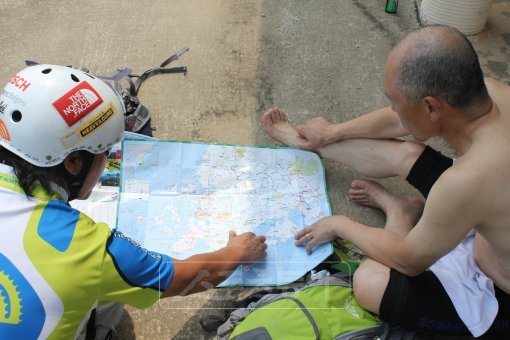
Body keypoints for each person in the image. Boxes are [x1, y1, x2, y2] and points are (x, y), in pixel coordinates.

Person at [262, 25, 510, 338]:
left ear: (432, 106)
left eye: (395, 100)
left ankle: (400, 214)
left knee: (369, 283)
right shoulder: (493, 93)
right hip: (483, 219)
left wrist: (341, 225)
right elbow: (397, 120)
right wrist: (333, 132)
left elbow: (408, 260)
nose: (393, 109)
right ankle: (309, 144)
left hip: (497, 293)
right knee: (407, 152)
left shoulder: (468, 181)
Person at [0, 64, 267, 339]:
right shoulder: (92, 250)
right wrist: (237, 253)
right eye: (105, 152)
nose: (108, 162)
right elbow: (184, 279)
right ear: (73, 162)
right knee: (112, 286)